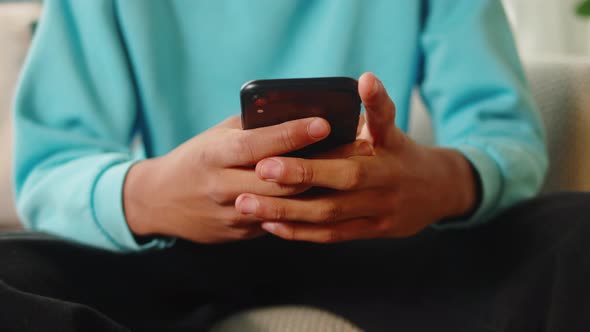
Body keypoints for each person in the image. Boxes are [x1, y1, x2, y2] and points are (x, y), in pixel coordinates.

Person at [3, 0, 589, 331]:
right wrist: (150, 194)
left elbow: (502, 133)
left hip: (384, 237)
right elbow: (52, 164)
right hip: (174, 245)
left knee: (579, 235)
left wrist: (437, 183)